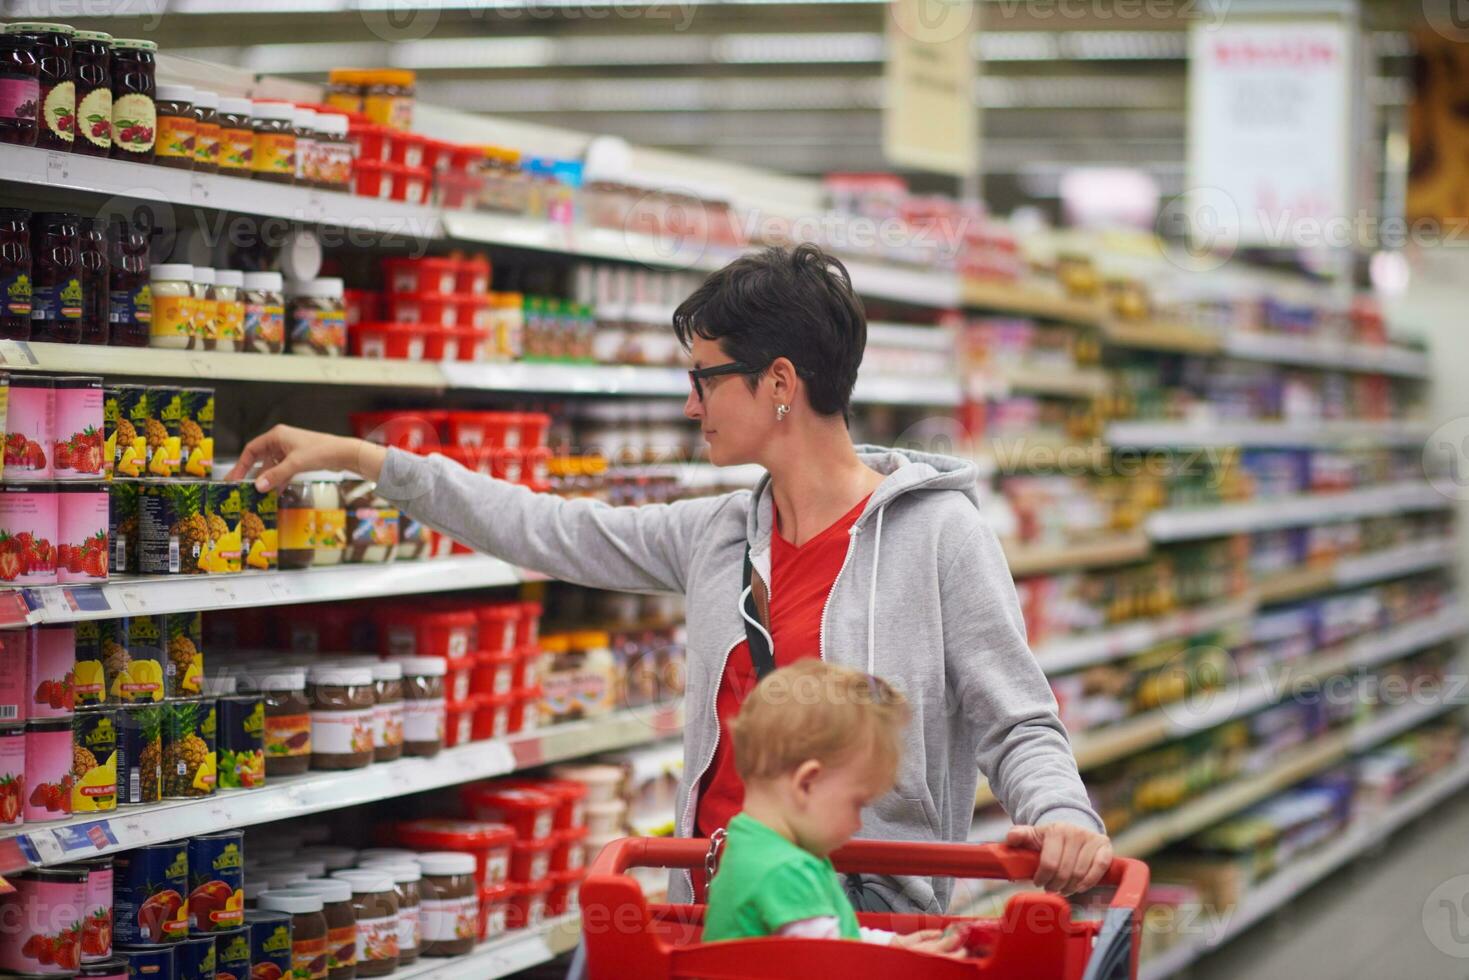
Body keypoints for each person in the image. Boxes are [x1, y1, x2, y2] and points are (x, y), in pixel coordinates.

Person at [226, 243, 1111, 912]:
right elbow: (547, 526)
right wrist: (364, 458)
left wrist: (1065, 816)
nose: (689, 404)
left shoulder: (937, 535)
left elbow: (1016, 717)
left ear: (778, 383)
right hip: (720, 904)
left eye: (703, 378)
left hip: (866, 920)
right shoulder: (718, 533)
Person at [702, 659, 961, 956]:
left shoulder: (753, 845)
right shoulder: (786, 870)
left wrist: (892, 945)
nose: (858, 825)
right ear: (807, 784)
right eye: (857, 804)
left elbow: (830, 938)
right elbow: (832, 962)